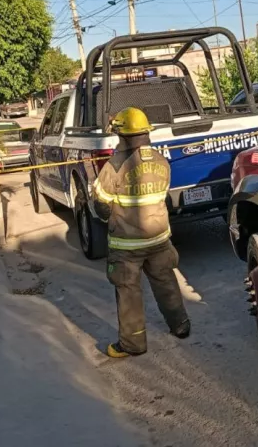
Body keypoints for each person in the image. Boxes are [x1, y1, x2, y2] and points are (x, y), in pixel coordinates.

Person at [91, 107, 190, 358]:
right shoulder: (160, 161)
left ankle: (133, 344)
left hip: (127, 247)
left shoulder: (114, 166)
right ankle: (180, 325)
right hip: (159, 239)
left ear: (122, 136)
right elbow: (163, 197)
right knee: (166, 282)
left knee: (128, 292)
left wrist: (111, 219)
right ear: (146, 133)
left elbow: (101, 204)